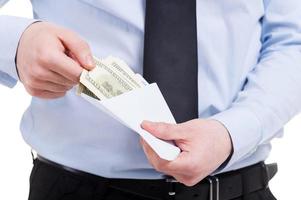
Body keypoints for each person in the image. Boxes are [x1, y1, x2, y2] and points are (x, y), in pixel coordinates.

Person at [1, 0, 300, 199]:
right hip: (75, 189)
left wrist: (234, 132)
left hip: (239, 185)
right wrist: (17, 44)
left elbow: (292, 40)